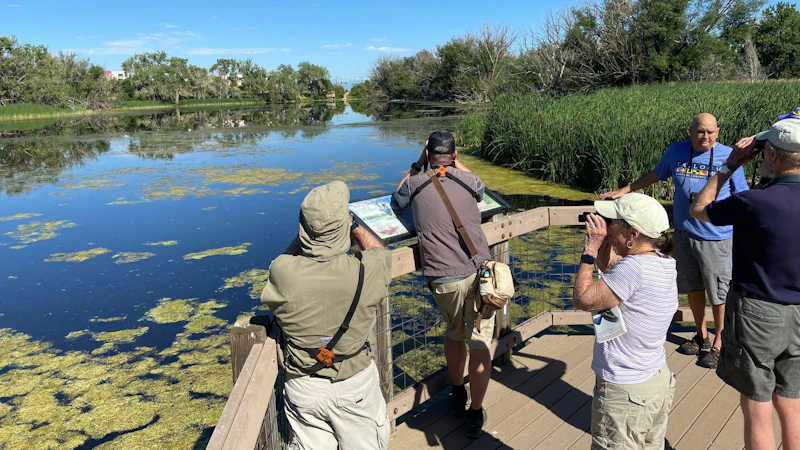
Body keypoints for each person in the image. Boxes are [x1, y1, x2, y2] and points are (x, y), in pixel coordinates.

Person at [601, 113, 749, 369]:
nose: (706, 137)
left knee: (719, 293)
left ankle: (719, 343)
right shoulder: (676, 151)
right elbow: (656, 175)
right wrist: (625, 190)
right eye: (701, 131)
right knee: (692, 287)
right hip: (684, 233)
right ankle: (701, 335)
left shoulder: (730, 157)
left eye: (711, 132)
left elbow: (742, 195)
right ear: (691, 131)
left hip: (717, 238)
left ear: (718, 132)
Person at [689, 114, 800, 450]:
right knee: (792, 401)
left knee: (757, 408)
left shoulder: (754, 201)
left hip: (756, 313)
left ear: (773, 156)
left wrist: (729, 165)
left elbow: (700, 209)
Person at [261, 180, 392, 450]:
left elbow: (284, 258)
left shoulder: (283, 272)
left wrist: (310, 233)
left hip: (303, 385)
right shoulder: (365, 270)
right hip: (354, 385)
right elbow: (379, 252)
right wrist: (353, 225)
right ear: (344, 223)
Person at [391, 130, 492, 439]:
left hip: (444, 278)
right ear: (454, 153)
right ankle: (475, 413)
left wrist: (416, 164)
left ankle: (457, 391)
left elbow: (396, 201)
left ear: (428, 153)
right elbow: (480, 189)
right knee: (480, 343)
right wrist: (457, 165)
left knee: (453, 333)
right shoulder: (469, 178)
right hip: (480, 273)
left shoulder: (415, 183)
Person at [573, 193, 678, 450]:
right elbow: (612, 269)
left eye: (613, 221)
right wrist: (607, 242)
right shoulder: (663, 262)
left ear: (633, 233)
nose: (608, 225)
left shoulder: (634, 269)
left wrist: (590, 249)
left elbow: (584, 299)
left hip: (626, 389)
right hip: (653, 380)